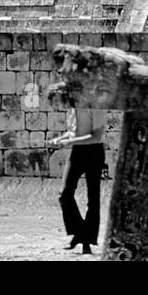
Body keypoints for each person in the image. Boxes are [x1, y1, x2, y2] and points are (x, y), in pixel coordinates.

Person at [54, 106, 107, 254]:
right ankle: (81, 234)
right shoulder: (71, 107)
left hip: (94, 152)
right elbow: (72, 132)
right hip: (77, 151)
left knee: (93, 200)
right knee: (64, 194)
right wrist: (59, 139)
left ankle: (86, 243)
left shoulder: (96, 104)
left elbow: (96, 135)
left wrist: (70, 141)